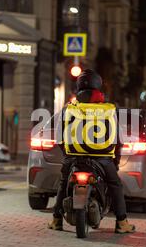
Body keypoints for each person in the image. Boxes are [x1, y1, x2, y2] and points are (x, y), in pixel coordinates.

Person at [48, 69, 136, 234]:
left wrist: (68, 154)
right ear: (99, 86)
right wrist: (115, 162)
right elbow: (119, 140)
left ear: (78, 87)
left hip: (73, 158)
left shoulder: (69, 109)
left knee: (63, 182)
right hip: (102, 159)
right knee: (115, 185)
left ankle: (56, 220)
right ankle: (122, 222)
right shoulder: (109, 109)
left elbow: (59, 137)